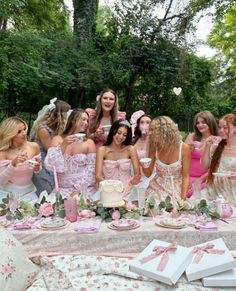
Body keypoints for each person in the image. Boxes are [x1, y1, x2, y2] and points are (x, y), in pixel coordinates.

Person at [44, 108, 97, 200]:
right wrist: (63, 145)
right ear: (73, 120)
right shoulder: (58, 139)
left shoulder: (89, 142)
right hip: (62, 190)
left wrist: (79, 190)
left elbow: (91, 170)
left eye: (87, 120)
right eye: (83, 119)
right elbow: (51, 165)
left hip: (84, 189)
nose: (86, 123)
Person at [143, 116, 190, 202]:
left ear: (164, 131)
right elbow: (148, 174)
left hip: (175, 189)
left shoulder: (184, 148)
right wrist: (144, 164)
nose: (149, 133)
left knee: (174, 208)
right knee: (154, 208)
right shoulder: (154, 147)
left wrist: (183, 199)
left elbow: (185, 176)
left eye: (153, 130)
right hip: (156, 188)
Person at [30, 98, 71, 195]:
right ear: (60, 114)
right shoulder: (43, 129)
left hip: (52, 161)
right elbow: (50, 149)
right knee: (46, 189)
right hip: (43, 162)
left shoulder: (57, 128)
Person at [95, 119, 141, 199]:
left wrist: (133, 181)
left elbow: (137, 174)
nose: (121, 137)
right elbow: (98, 176)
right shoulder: (102, 150)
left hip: (127, 191)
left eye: (124, 135)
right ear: (113, 131)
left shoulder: (130, 149)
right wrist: (110, 187)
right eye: (119, 133)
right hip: (107, 191)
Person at [0, 117, 40, 202]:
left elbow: (38, 169)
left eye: (24, 129)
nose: (24, 133)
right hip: (7, 195)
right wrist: (13, 164)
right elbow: (1, 181)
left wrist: (37, 168)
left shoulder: (34, 146)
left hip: (29, 192)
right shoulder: (3, 153)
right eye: (19, 132)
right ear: (10, 135)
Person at [201, 113, 236, 206]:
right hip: (214, 190)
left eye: (225, 128)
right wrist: (207, 146)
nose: (221, 130)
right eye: (220, 127)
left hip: (232, 192)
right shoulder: (217, 146)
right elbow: (204, 166)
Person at [185, 111, 218, 197]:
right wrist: (188, 148)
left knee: (193, 194)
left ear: (210, 122)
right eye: (198, 123)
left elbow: (215, 167)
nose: (200, 125)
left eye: (203, 122)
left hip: (204, 178)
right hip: (187, 176)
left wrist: (200, 179)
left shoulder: (216, 140)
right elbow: (182, 158)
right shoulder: (191, 137)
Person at [129, 111, 153, 206]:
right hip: (135, 174)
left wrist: (149, 136)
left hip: (149, 175)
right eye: (142, 122)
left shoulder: (153, 141)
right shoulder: (133, 140)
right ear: (138, 125)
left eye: (147, 123)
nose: (144, 125)